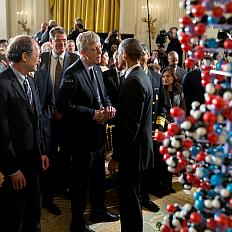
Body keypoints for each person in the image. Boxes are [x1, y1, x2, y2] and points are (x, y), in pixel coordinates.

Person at [56, 31, 119, 232]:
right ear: (83, 52)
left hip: (98, 136)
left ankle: (98, 210)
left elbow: (104, 96)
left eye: (100, 46)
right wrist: (93, 113)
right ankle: (77, 222)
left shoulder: (98, 70)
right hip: (81, 138)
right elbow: (63, 105)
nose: (101, 51)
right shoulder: (72, 73)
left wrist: (108, 108)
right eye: (95, 48)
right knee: (81, 182)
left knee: (98, 178)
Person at [0, 35, 49, 232]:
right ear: (25, 56)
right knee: (14, 220)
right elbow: (2, 133)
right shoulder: (2, 85)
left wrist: (42, 151)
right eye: (37, 55)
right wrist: (11, 169)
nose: (39, 59)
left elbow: (37, 122)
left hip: (33, 163)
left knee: (33, 216)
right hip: (15, 168)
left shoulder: (31, 81)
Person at [108, 38, 154, 232]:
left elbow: (130, 127)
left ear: (124, 55)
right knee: (131, 198)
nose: (116, 57)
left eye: (118, 53)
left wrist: (116, 157)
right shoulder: (140, 75)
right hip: (139, 150)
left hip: (133, 153)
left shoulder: (134, 80)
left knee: (129, 200)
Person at [39, 26, 79, 215]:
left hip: (69, 118)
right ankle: (48, 196)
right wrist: (51, 111)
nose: (62, 43)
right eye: (58, 40)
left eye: (64, 40)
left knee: (67, 156)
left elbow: (78, 90)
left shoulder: (75, 59)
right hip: (47, 118)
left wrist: (63, 111)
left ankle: (65, 187)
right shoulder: (43, 59)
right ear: (51, 41)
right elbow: (39, 89)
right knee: (49, 157)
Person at [139, 43, 167, 210]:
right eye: (140, 53)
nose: (143, 56)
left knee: (150, 167)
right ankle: (139, 197)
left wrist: (159, 127)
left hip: (153, 131)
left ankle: (145, 195)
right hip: (139, 131)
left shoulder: (156, 77)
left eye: (145, 53)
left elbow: (163, 106)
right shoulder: (130, 76)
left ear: (149, 55)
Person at [161, 67, 186, 194]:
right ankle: (163, 185)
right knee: (165, 158)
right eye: (163, 76)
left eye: (168, 76)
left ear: (173, 78)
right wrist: (168, 125)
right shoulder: (160, 90)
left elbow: (182, 109)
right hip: (165, 129)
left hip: (177, 129)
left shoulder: (179, 90)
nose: (165, 78)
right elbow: (160, 112)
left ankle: (169, 184)